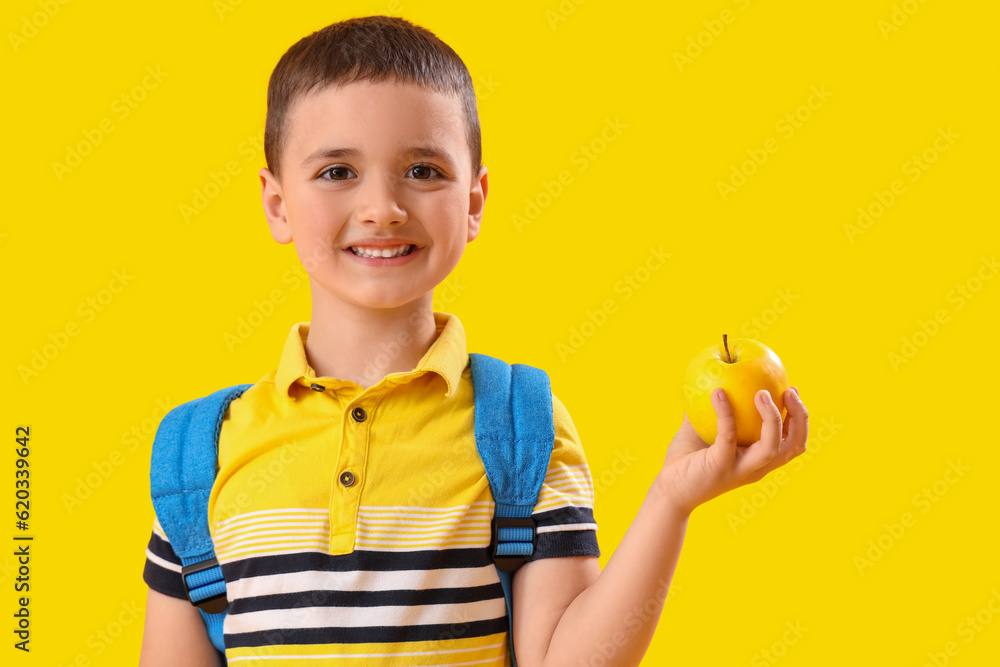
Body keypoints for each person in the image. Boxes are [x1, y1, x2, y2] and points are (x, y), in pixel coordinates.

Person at [138, 14, 809, 667]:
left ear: (476, 201)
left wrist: (671, 499)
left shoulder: (520, 429)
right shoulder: (200, 455)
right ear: (277, 203)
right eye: (337, 172)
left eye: (424, 170)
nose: (383, 207)